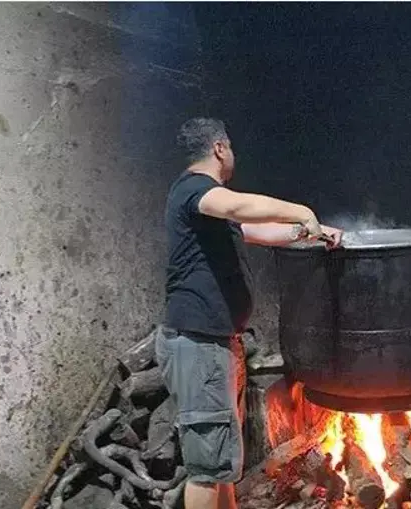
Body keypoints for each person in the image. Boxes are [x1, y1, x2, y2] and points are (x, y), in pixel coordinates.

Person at [157, 117, 342, 509]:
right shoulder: (195, 190)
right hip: (198, 344)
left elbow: (260, 231)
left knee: (221, 463)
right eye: (231, 148)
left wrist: (312, 231)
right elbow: (239, 205)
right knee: (207, 469)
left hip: (214, 343)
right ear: (220, 148)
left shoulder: (211, 214)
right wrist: (301, 210)